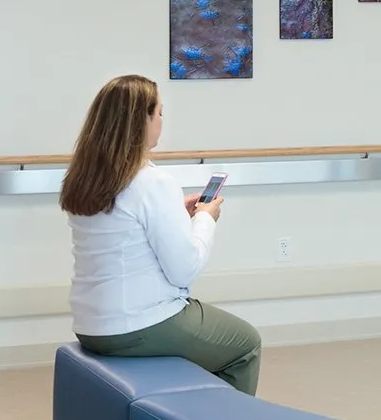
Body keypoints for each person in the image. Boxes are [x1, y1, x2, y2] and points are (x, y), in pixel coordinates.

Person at [60, 74, 261, 394]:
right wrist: (205, 219)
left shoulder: (85, 179)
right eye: (159, 113)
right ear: (142, 120)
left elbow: (124, 229)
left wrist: (175, 212)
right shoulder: (153, 183)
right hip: (140, 326)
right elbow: (185, 268)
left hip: (91, 324)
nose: (161, 121)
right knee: (245, 344)